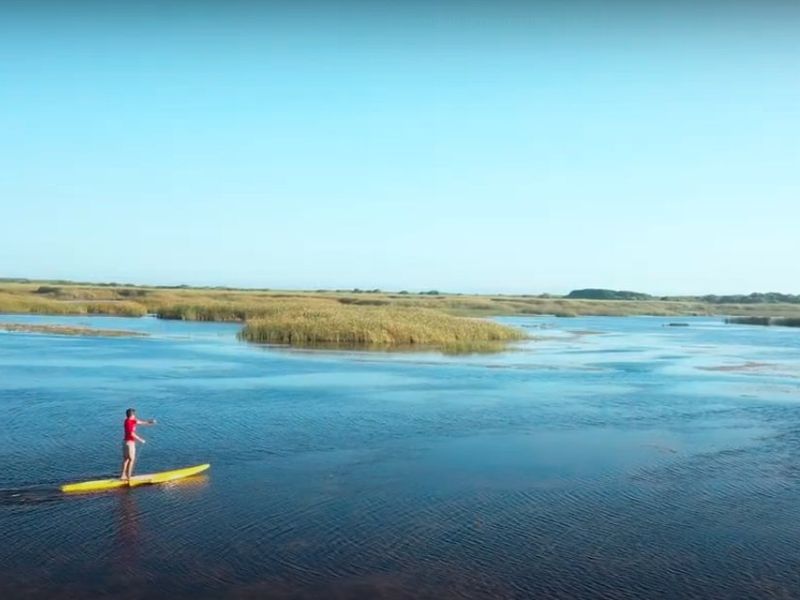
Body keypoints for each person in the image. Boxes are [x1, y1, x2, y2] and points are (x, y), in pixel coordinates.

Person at [121, 408, 156, 482]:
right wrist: (141, 440)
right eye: (134, 414)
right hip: (129, 443)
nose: (135, 416)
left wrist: (150, 422)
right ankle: (128, 477)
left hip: (125, 442)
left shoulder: (130, 420)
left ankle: (123, 475)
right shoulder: (129, 422)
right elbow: (132, 434)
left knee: (126, 459)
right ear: (132, 415)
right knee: (131, 459)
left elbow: (141, 422)